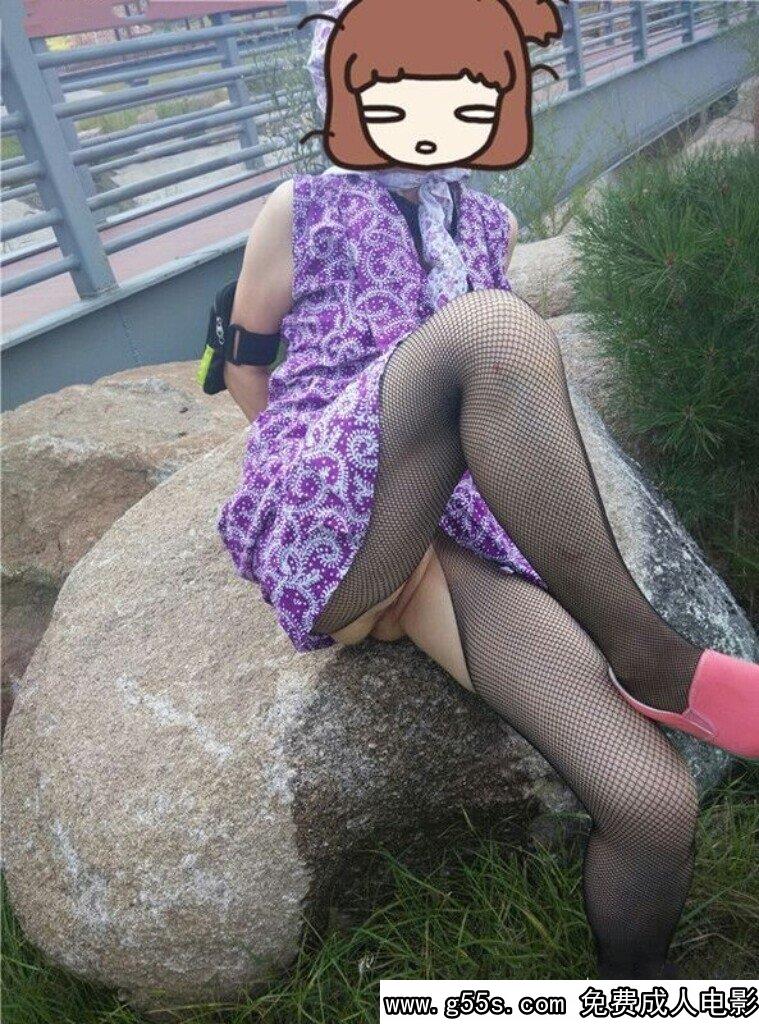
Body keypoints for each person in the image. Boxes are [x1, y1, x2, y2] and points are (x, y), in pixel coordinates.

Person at [211, 0, 759, 980]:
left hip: (440, 530)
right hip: (328, 506)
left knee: (652, 804)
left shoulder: (487, 221)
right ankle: (654, 658)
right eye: (397, 104)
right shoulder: (304, 207)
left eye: (466, 105)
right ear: (341, 97)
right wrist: (333, 477)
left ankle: (630, 995)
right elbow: (246, 367)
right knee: (492, 328)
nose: (432, 127)